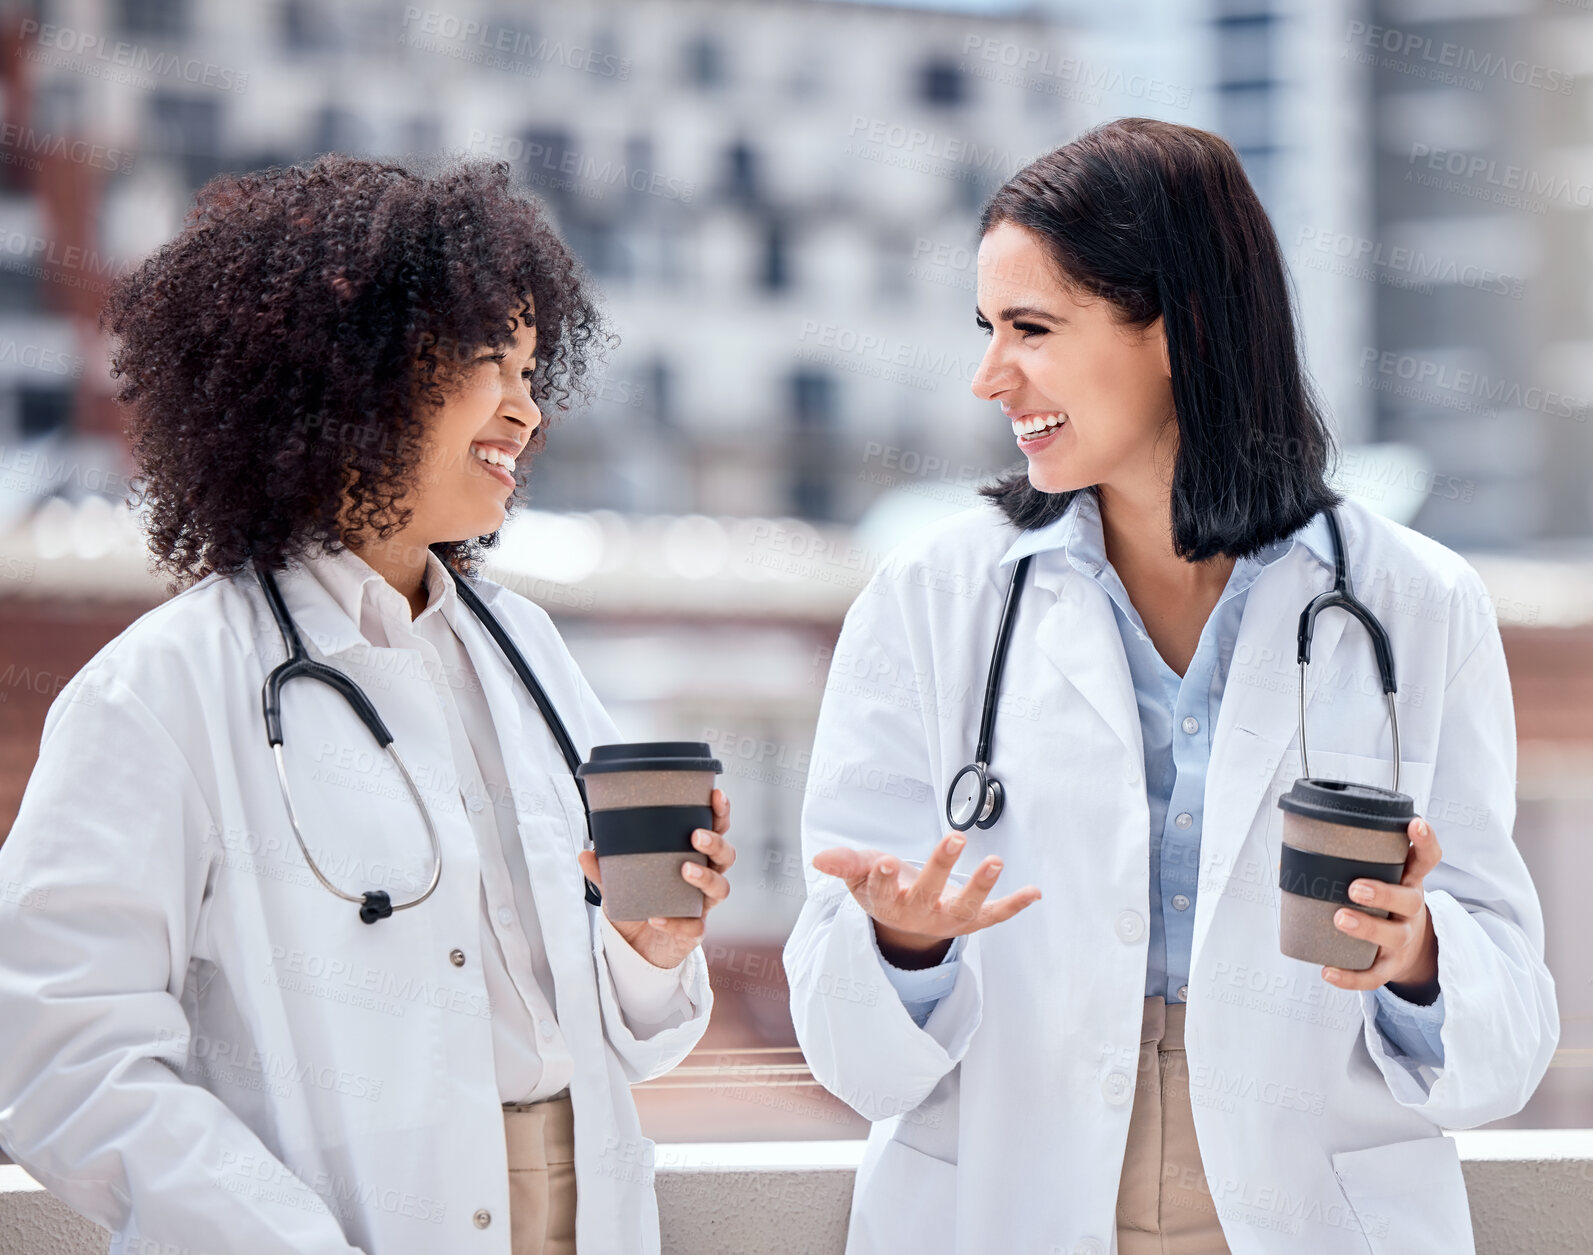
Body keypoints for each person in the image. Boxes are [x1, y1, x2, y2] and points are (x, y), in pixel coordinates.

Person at [784, 118, 1557, 1255]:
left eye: (1031, 329)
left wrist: (1420, 954)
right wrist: (905, 945)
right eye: (988, 329)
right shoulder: (931, 601)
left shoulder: (1415, 603)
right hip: (1014, 1192)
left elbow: (1511, 1025)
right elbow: (847, 1046)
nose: (989, 374)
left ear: (1176, 326)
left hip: (1306, 1208)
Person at [0, 153, 736, 1255]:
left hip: (585, 1213)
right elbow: (63, 1060)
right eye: (491, 361)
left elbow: (621, 1036)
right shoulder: (161, 689)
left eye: (536, 369)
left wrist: (649, 948)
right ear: (347, 372)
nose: (526, 409)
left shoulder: (526, 651)